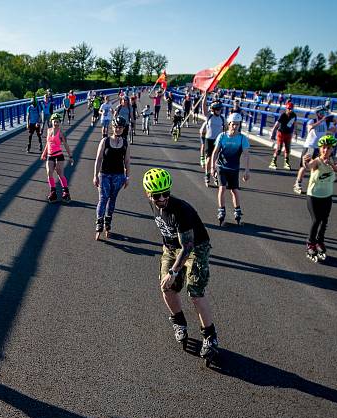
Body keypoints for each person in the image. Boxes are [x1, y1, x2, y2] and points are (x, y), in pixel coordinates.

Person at [142, 168, 220, 363]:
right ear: (147, 194)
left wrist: (173, 271)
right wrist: (169, 271)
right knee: (166, 287)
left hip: (195, 248)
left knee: (195, 292)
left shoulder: (181, 210)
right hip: (171, 247)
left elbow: (187, 247)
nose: (162, 199)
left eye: (166, 193)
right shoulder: (154, 202)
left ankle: (210, 337)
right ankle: (179, 322)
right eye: (156, 196)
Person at [301, 135, 337, 262]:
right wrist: (305, 162)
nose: (325, 150)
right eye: (323, 148)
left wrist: (332, 165)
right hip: (313, 196)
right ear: (320, 148)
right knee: (316, 220)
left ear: (332, 149)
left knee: (325, 220)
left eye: (328, 148)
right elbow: (309, 166)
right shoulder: (317, 161)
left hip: (327, 196)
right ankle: (310, 243)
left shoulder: (336, 159)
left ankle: (320, 241)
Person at [93, 116, 131, 240]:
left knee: (112, 199)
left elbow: (127, 161)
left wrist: (127, 177)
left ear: (123, 129)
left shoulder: (125, 143)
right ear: (112, 127)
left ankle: (107, 224)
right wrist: (95, 175)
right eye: (115, 127)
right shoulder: (105, 141)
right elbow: (98, 159)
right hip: (104, 174)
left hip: (118, 176)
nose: (118, 129)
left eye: (120, 127)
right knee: (103, 198)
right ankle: (99, 225)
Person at [211, 113, 250, 225]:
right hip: (221, 166)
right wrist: (212, 167)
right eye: (233, 124)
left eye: (237, 124)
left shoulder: (242, 138)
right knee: (222, 188)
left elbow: (246, 155)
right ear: (229, 124)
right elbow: (215, 152)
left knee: (234, 190)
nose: (235, 127)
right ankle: (221, 210)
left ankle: (237, 210)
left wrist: (247, 170)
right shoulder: (222, 136)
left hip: (234, 168)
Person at [294, 106, 337, 194]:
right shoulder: (312, 121)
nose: (324, 114)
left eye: (325, 113)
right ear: (317, 113)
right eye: (322, 113)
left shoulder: (327, 123)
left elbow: (334, 130)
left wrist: (334, 123)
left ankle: (316, 184)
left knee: (319, 166)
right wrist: (321, 121)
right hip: (310, 146)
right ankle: (298, 183)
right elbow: (310, 128)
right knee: (304, 166)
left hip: (320, 148)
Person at [40, 113, 74, 203]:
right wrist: (44, 153)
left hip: (59, 155)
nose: (56, 123)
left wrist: (70, 156)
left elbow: (66, 145)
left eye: (58, 122)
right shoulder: (48, 130)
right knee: (49, 172)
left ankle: (66, 192)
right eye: (55, 122)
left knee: (60, 174)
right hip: (50, 156)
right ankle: (53, 192)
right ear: (51, 121)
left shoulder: (61, 133)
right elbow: (48, 143)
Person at [200, 95, 226, 187]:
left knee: (217, 160)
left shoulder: (222, 119)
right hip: (209, 140)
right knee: (209, 159)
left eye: (220, 109)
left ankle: (215, 174)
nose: (219, 111)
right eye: (217, 109)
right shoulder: (209, 116)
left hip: (218, 141)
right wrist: (205, 96)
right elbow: (204, 107)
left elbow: (226, 129)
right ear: (213, 109)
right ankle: (207, 175)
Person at [269, 102, 297, 170]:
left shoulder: (294, 115)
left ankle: (286, 162)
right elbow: (277, 124)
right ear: (286, 108)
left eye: (291, 109)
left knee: (287, 149)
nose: (290, 110)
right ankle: (273, 162)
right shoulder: (283, 115)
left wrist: (295, 132)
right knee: (279, 148)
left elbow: (295, 124)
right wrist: (273, 133)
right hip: (281, 133)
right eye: (289, 108)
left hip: (288, 133)